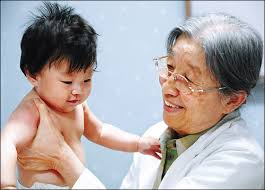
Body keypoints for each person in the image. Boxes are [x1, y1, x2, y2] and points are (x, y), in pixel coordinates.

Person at [16, 12, 264, 189]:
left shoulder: (242, 161)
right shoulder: (156, 136)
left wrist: (63, 159)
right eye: (169, 67)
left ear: (232, 100)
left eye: (188, 79)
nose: (168, 88)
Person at [0, 2, 161, 189]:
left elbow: (101, 132)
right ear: (33, 76)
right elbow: (7, 142)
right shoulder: (33, 110)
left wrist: (138, 143)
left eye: (87, 80)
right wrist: (7, 185)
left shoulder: (77, 107)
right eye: (67, 82)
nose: (77, 90)